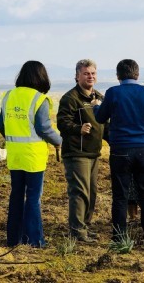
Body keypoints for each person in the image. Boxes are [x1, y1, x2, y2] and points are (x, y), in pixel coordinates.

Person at [94, 59, 144, 250]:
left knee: (120, 196)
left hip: (120, 151)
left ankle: (119, 238)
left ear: (118, 76)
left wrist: (95, 107)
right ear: (137, 74)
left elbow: (100, 117)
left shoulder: (113, 93)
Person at [0, 61, 62, 247]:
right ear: (42, 77)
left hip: (15, 154)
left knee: (16, 195)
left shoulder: (8, 96)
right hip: (33, 157)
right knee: (33, 198)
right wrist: (59, 141)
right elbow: (44, 128)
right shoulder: (40, 99)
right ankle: (35, 241)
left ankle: (13, 239)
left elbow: (2, 124)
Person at [57, 59, 105, 243]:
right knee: (79, 192)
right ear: (77, 76)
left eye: (93, 73)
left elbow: (105, 123)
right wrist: (78, 128)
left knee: (91, 192)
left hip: (94, 152)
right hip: (77, 153)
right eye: (86, 73)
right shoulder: (70, 98)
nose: (90, 76)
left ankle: (85, 226)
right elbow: (62, 122)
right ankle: (77, 230)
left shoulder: (99, 97)